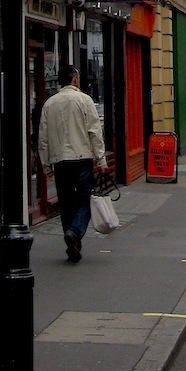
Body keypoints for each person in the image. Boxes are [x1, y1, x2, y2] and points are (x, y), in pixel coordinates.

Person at [38, 65, 109, 264]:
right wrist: (101, 159)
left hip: (60, 161)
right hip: (82, 158)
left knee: (66, 202)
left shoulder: (49, 104)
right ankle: (75, 232)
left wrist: (45, 165)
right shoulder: (85, 100)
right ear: (75, 79)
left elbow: (43, 138)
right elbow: (95, 132)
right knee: (86, 197)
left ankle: (72, 244)